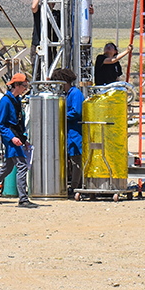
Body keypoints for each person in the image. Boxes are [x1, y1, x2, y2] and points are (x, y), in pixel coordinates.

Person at [0, 72, 37, 207]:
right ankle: (23, 198)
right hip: (11, 140)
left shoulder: (16, 100)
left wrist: (24, 139)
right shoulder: (5, 101)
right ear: (16, 85)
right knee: (22, 166)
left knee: (7, 168)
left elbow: (18, 122)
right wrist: (12, 138)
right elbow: (2, 124)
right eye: (23, 86)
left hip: (16, 138)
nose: (25, 89)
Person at [51, 67, 83, 197]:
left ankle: (76, 186)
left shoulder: (75, 94)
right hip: (68, 133)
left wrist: (61, 115)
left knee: (76, 160)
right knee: (71, 160)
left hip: (75, 133)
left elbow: (77, 112)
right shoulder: (67, 94)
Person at [30, 0, 60, 73]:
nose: (53, 2)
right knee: (37, 72)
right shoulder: (40, 11)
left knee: (50, 72)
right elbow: (33, 7)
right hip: (38, 45)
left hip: (52, 47)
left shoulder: (57, 14)